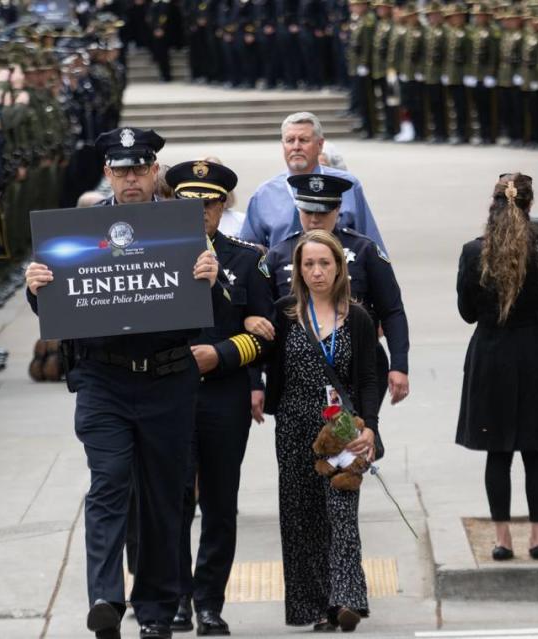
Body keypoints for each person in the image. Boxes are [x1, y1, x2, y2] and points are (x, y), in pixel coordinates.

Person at [24, 127, 227, 639]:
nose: (132, 179)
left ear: (155, 171)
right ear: (108, 174)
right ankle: (105, 598)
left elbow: (207, 313)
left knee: (164, 496)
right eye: (122, 170)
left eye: (141, 169)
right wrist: (37, 288)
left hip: (166, 379)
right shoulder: (79, 229)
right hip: (103, 379)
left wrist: (210, 274)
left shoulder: (181, 228)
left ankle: (156, 612)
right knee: (110, 482)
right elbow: (60, 303)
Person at [164, 160, 274, 635]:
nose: (200, 213)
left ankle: (210, 600)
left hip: (224, 394)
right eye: (189, 204)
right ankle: (177, 598)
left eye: (208, 205)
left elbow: (270, 333)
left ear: (223, 206)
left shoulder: (247, 259)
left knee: (220, 503)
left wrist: (226, 352)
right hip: (170, 392)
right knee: (173, 501)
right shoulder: (158, 254)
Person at [455, 172, 538, 561]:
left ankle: (502, 538)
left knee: (498, 452)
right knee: (536, 449)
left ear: (492, 204)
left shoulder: (473, 251)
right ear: (530, 204)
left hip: (492, 353)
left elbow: (465, 312)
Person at [263, 229, 380, 632]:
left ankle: (347, 598)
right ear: (297, 269)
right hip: (294, 424)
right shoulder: (284, 312)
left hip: (342, 426)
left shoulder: (358, 316)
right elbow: (263, 360)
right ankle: (313, 606)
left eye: (324, 263)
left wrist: (371, 431)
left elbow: (368, 377)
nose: (316, 272)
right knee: (302, 516)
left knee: (342, 511)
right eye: (308, 264)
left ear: (339, 267)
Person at [262, 173, 409, 405]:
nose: (314, 220)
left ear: (338, 209)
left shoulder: (364, 251)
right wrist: (255, 382)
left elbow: (392, 310)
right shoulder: (278, 255)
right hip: (297, 375)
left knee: (358, 436)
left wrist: (399, 365)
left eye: (322, 212)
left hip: (358, 368)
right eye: (307, 211)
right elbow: (261, 316)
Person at [239, 112, 386, 251]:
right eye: (290, 140)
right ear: (283, 145)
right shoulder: (265, 193)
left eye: (303, 140)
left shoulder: (346, 185)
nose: (296, 147)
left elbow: (371, 244)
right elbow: (249, 251)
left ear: (320, 145)